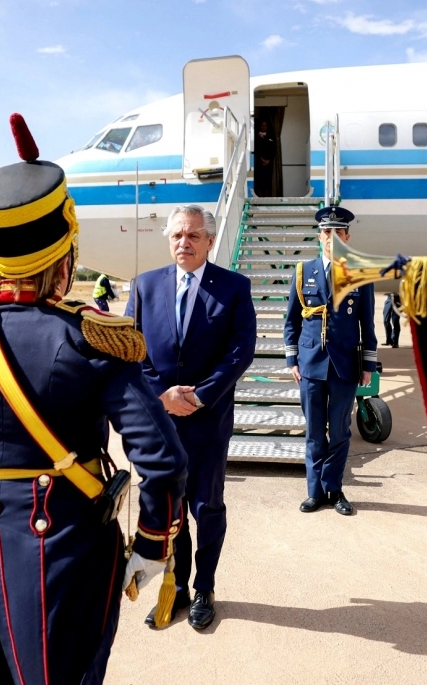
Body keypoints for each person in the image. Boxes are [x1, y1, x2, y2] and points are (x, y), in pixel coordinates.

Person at [0, 114, 186, 685]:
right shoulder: (92, 336)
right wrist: (152, 542)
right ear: (64, 255)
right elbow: (162, 460)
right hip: (62, 549)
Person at [125, 204, 257, 629]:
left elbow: (240, 351)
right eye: (178, 235)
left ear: (210, 241)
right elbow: (130, 349)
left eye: (193, 236)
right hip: (162, 422)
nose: (184, 242)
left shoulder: (234, 287)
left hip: (207, 421)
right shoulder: (145, 286)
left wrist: (200, 397)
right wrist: (161, 395)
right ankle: (177, 586)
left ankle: (205, 587)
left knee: (207, 506)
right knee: (171, 506)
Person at [284, 205, 377, 515]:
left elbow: (367, 323)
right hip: (310, 364)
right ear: (319, 236)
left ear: (347, 236)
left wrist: (368, 364)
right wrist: (292, 360)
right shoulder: (303, 272)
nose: (332, 237)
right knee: (313, 432)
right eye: (327, 232)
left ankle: (334, 489)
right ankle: (314, 492)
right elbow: (291, 322)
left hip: (344, 366)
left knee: (339, 432)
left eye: (339, 232)